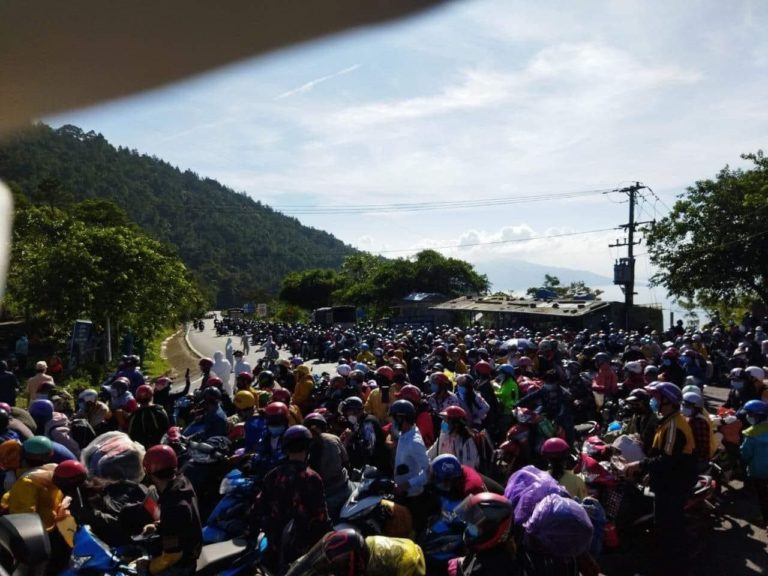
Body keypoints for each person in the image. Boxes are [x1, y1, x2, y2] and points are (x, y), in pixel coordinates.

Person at [624, 382, 695, 576]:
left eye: (657, 398)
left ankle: (675, 567)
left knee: (669, 527)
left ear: (668, 401)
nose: (653, 401)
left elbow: (667, 459)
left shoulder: (673, 426)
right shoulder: (667, 421)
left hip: (673, 484)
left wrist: (639, 465)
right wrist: (650, 471)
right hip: (667, 480)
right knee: (665, 525)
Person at [254, 425, 332, 571]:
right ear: (307, 447)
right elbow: (321, 517)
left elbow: (258, 508)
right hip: (302, 550)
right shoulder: (312, 478)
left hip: (273, 546)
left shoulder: (273, 475)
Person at [142, 445, 202, 576]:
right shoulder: (182, 482)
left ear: (149, 472)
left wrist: (148, 568)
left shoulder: (173, 506)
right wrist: (158, 526)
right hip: (190, 549)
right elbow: (181, 522)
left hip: (181, 566)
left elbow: (172, 556)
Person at [286, 527, 426, 576]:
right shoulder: (363, 547)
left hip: (409, 569)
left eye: (338, 565)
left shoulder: (376, 569)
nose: (333, 568)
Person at [448, 492, 519, 576]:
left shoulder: (495, 565)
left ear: (490, 530)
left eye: (475, 524)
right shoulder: (488, 552)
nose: (469, 527)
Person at [390, 399, 430, 534]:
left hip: (413, 497)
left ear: (402, 418)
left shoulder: (414, 442)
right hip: (402, 493)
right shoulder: (406, 433)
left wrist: (407, 485)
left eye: (395, 418)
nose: (393, 422)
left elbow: (428, 472)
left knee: (413, 529)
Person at [304, 412, 352, 522]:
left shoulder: (304, 443)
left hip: (322, 495)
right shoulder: (333, 439)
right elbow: (346, 462)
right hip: (343, 488)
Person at [740, 400, 768, 532]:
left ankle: (765, 520)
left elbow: (746, 454)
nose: (748, 417)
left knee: (763, 497)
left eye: (750, 414)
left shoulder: (751, 434)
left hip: (758, 472)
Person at [681, 391, 715, 471]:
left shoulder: (699, 422)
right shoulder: (689, 418)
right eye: (683, 405)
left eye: (687, 406)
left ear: (696, 408)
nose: (684, 407)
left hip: (698, 461)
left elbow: (701, 447)